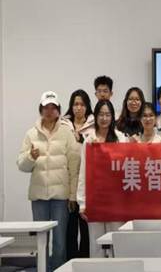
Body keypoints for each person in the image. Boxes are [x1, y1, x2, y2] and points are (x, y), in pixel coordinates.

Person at [17, 91, 80, 271]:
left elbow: (74, 167)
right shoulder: (31, 134)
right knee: (41, 242)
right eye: (46, 107)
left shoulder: (67, 133)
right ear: (41, 109)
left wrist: (72, 196)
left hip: (61, 198)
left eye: (53, 107)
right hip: (39, 198)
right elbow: (21, 165)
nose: (50, 111)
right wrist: (30, 157)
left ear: (59, 110)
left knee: (60, 242)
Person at [77, 100, 127, 258]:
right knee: (96, 243)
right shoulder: (89, 140)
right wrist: (82, 203)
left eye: (107, 115)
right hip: (95, 198)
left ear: (112, 117)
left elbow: (124, 168)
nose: (104, 118)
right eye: (101, 114)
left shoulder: (120, 138)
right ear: (95, 116)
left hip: (116, 199)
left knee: (116, 242)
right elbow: (83, 172)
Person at [63, 89, 94, 259]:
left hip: (88, 185)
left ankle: (85, 263)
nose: (78, 107)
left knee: (86, 229)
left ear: (87, 106)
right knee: (70, 230)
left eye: (82, 104)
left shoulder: (94, 125)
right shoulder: (63, 125)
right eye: (75, 104)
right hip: (68, 185)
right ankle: (70, 263)